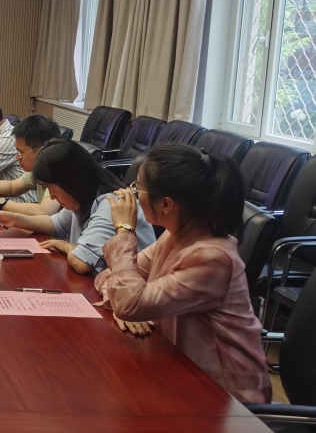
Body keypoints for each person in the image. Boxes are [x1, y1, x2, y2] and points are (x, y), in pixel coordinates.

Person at [94, 144, 271, 403]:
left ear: (166, 204)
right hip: (179, 371)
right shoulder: (173, 235)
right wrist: (124, 297)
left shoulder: (212, 259)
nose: (132, 195)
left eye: (137, 188)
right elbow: (109, 279)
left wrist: (124, 230)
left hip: (226, 399)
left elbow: (129, 301)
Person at [0, 139, 156, 275]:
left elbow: (82, 263)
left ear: (71, 181)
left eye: (52, 189)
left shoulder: (111, 203)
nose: (52, 196)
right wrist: (14, 219)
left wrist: (66, 246)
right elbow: (54, 224)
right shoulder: (84, 197)